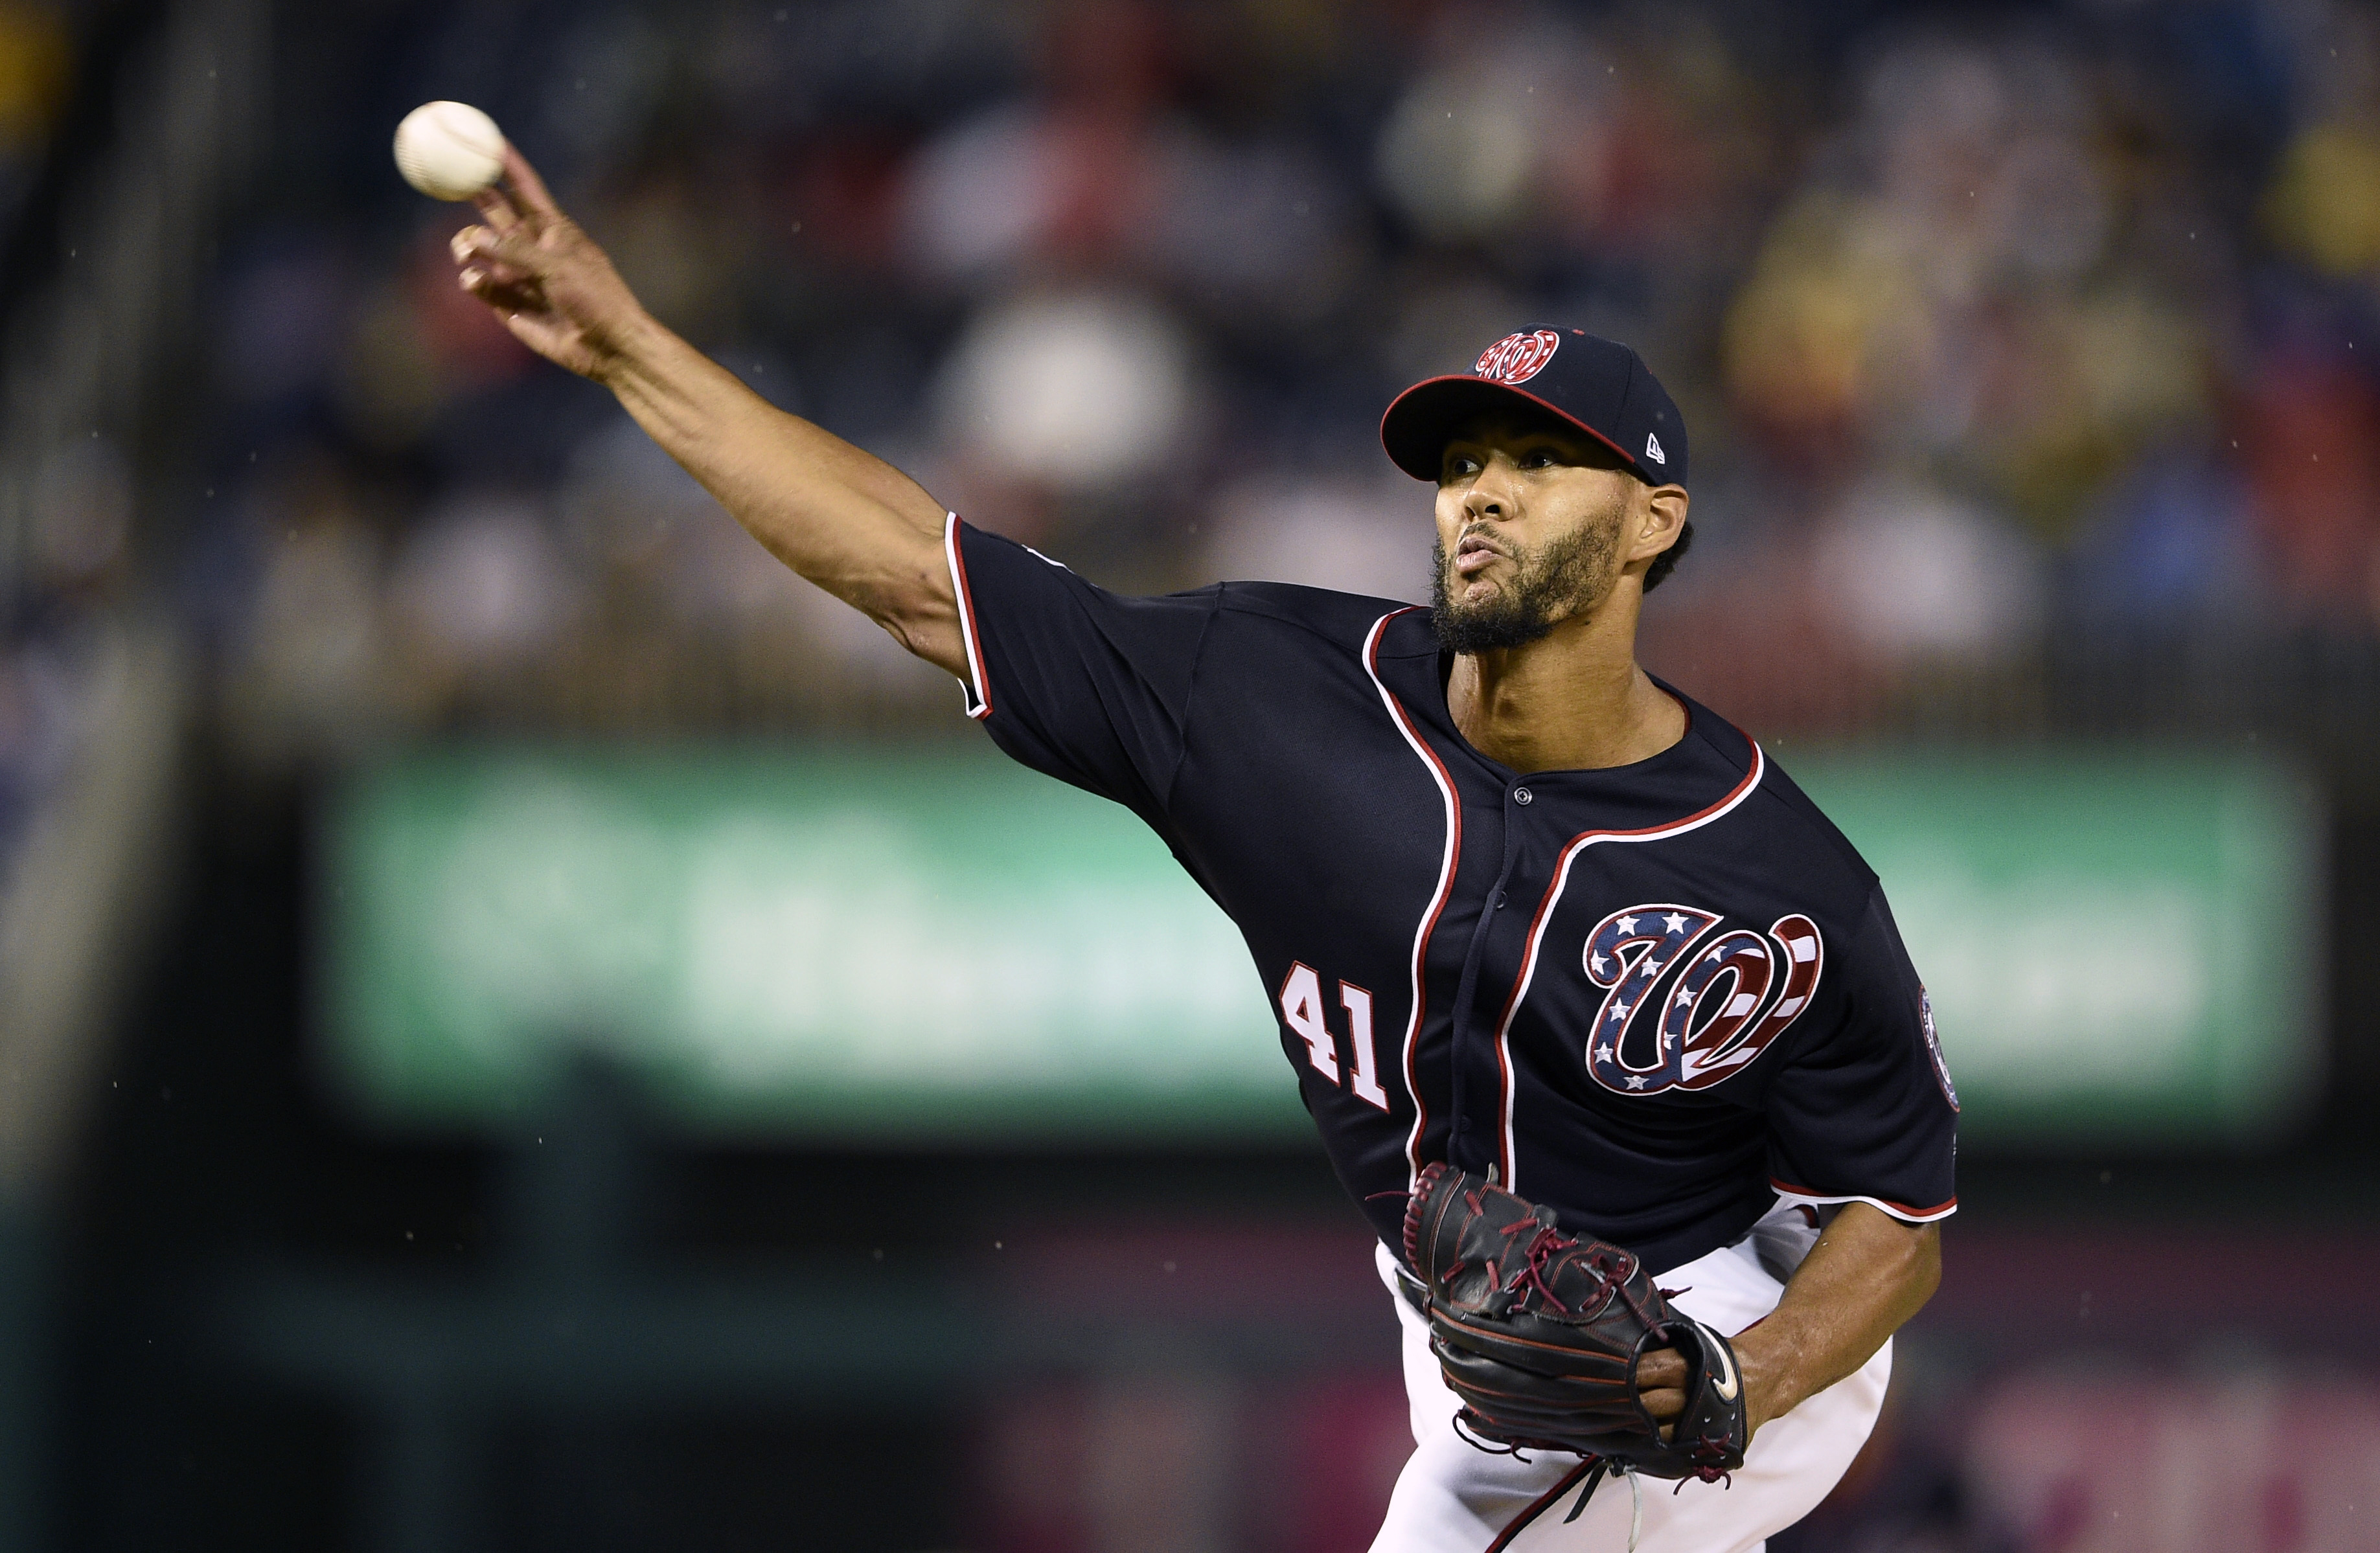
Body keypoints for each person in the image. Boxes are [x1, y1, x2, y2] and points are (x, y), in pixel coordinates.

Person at [447, 148, 1955, 1553]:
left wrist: (1732, 1381)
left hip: (1705, 1314)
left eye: (1540, 462)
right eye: (1461, 459)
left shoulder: (1776, 871)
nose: (1481, 489)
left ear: (1653, 522)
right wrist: (627, 346)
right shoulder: (1263, 690)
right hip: (1484, 1327)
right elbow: (918, 570)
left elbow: (1896, 1217)